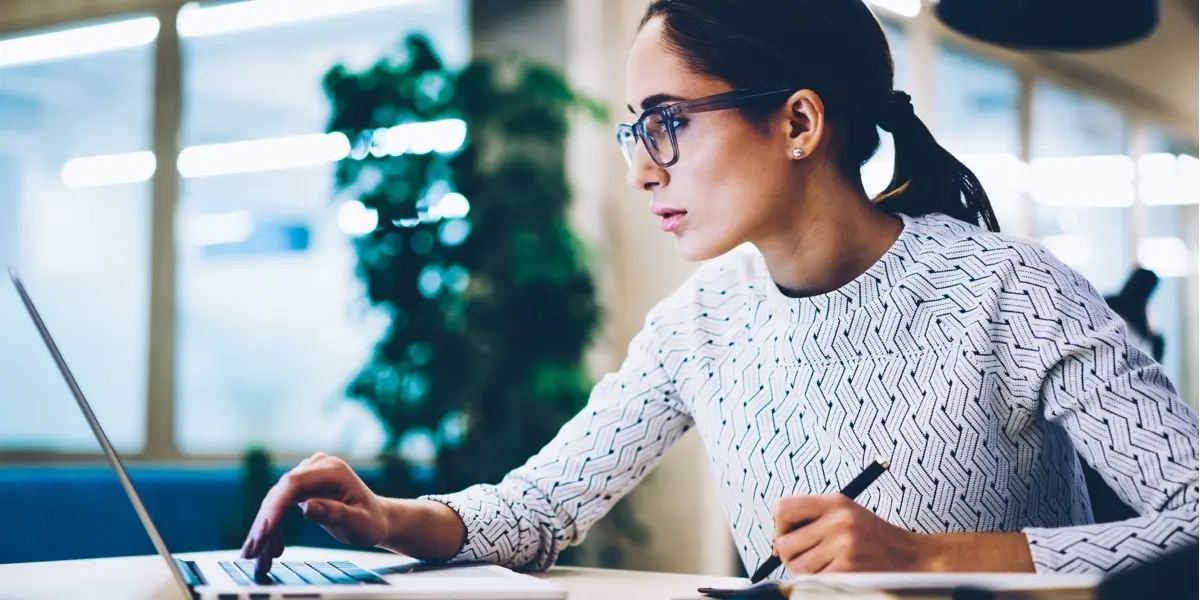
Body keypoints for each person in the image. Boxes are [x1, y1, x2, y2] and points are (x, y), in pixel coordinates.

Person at [241, 0, 1199, 579]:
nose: (642, 168)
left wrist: (932, 558)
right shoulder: (700, 322)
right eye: (634, 130)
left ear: (797, 122)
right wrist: (391, 518)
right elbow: (541, 506)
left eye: (669, 123)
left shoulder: (1011, 292)